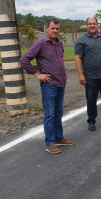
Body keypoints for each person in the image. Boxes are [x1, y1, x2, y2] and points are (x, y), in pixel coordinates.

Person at [20, 17, 75, 154]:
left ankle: (58, 137)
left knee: (58, 112)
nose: (55, 31)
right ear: (46, 29)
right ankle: (49, 143)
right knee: (49, 114)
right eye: (52, 28)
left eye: (57, 28)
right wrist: (37, 74)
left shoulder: (60, 44)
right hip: (49, 85)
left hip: (60, 83)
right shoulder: (40, 43)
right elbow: (24, 59)